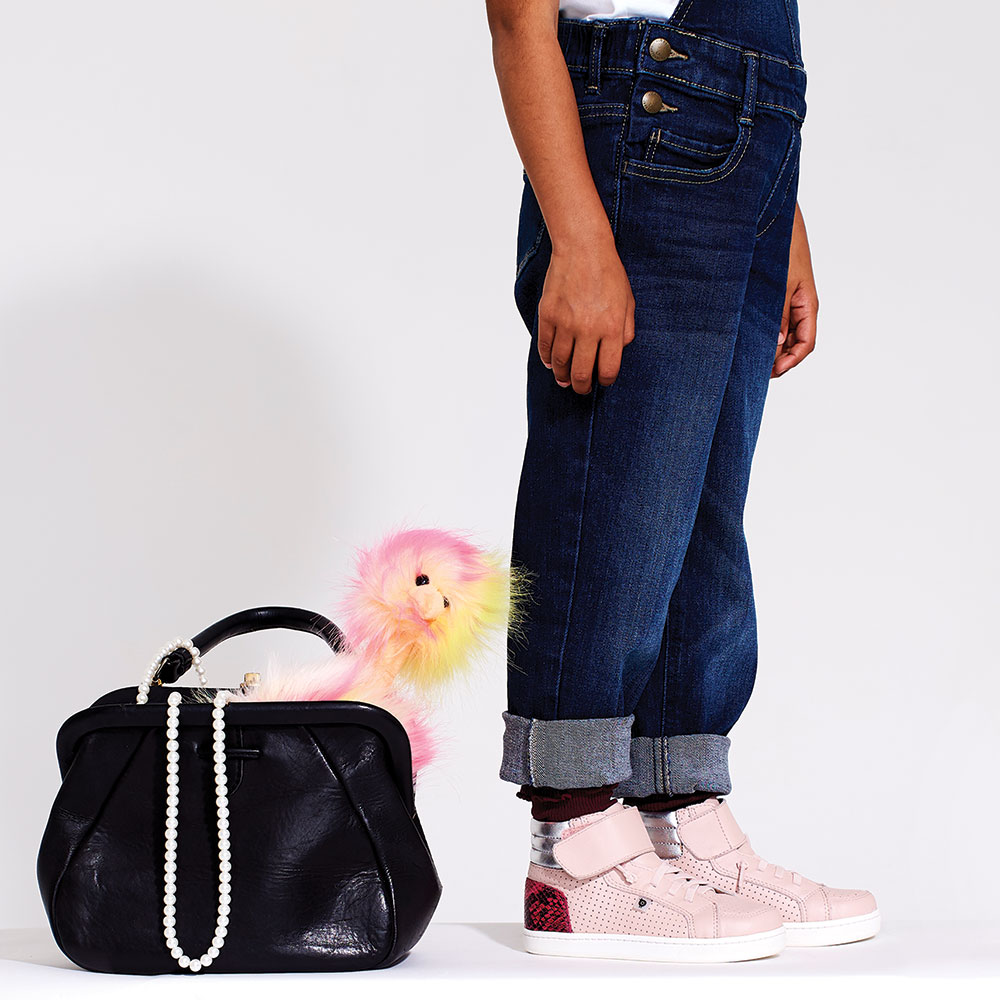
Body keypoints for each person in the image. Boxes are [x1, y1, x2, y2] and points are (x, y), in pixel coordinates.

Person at [486, 0, 879, 962]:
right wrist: (577, 240)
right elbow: (516, 14)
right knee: (616, 481)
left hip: (744, 141)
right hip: (645, 117)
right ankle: (575, 843)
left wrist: (777, 211)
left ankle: (677, 811)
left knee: (699, 503)